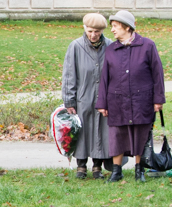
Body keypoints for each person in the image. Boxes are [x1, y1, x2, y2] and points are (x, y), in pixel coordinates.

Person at [95, 10, 165, 183]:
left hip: (142, 100)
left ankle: (139, 170)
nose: (112, 30)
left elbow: (157, 74)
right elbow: (105, 78)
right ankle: (116, 171)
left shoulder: (148, 46)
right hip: (117, 100)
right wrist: (102, 103)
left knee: (141, 134)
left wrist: (158, 99)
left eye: (115, 26)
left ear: (127, 27)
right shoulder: (111, 50)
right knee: (117, 135)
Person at [60, 13, 112, 179]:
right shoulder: (75, 46)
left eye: (97, 31)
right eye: (90, 31)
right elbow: (69, 75)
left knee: (100, 131)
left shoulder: (110, 46)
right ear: (84, 28)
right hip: (83, 97)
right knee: (82, 132)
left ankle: (97, 166)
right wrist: (69, 100)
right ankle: (81, 166)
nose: (93, 35)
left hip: (103, 98)